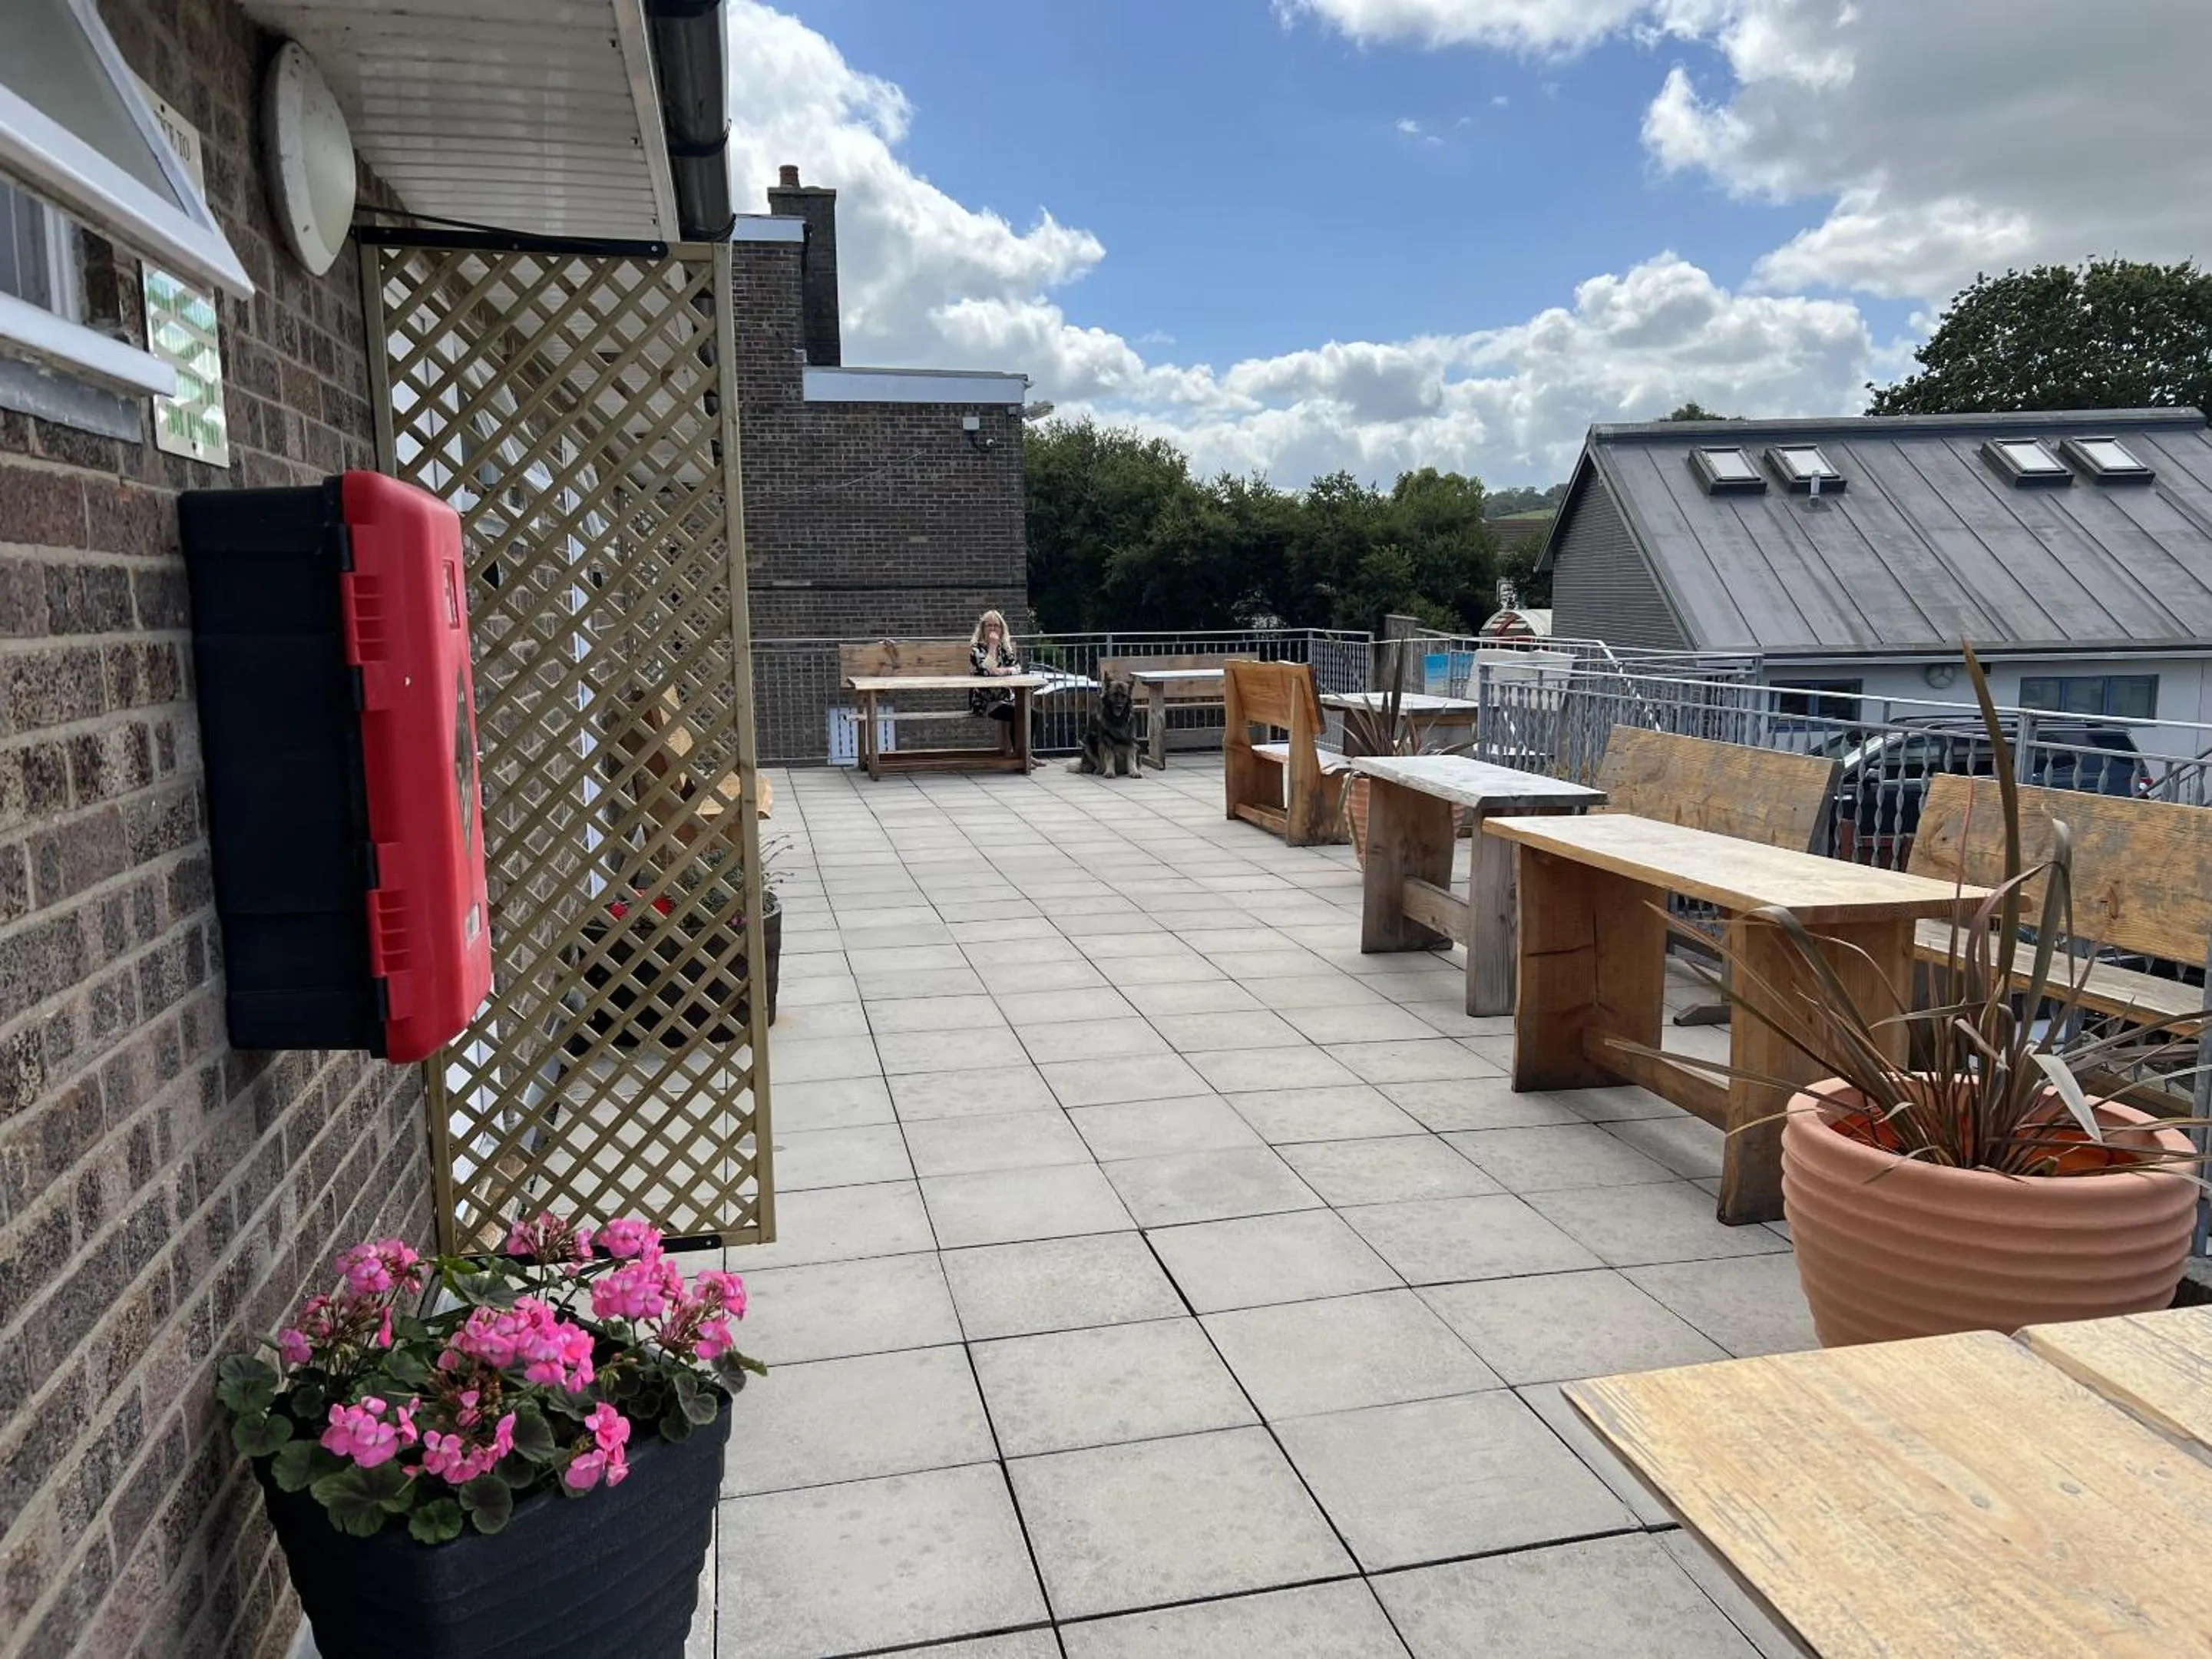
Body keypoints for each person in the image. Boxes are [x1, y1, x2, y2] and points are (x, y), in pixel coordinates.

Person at [968, 609, 1034, 766]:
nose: (992, 629)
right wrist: (992, 647)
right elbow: (986, 672)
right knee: (1016, 713)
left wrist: (1004, 671)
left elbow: (1017, 668)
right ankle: (1018, 755)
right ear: (983, 629)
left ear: (1001, 629)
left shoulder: (1005, 648)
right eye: (989, 626)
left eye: (996, 626)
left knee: (1031, 713)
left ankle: (1025, 754)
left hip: (1004, 697)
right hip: (984, 701)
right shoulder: (976, 649)